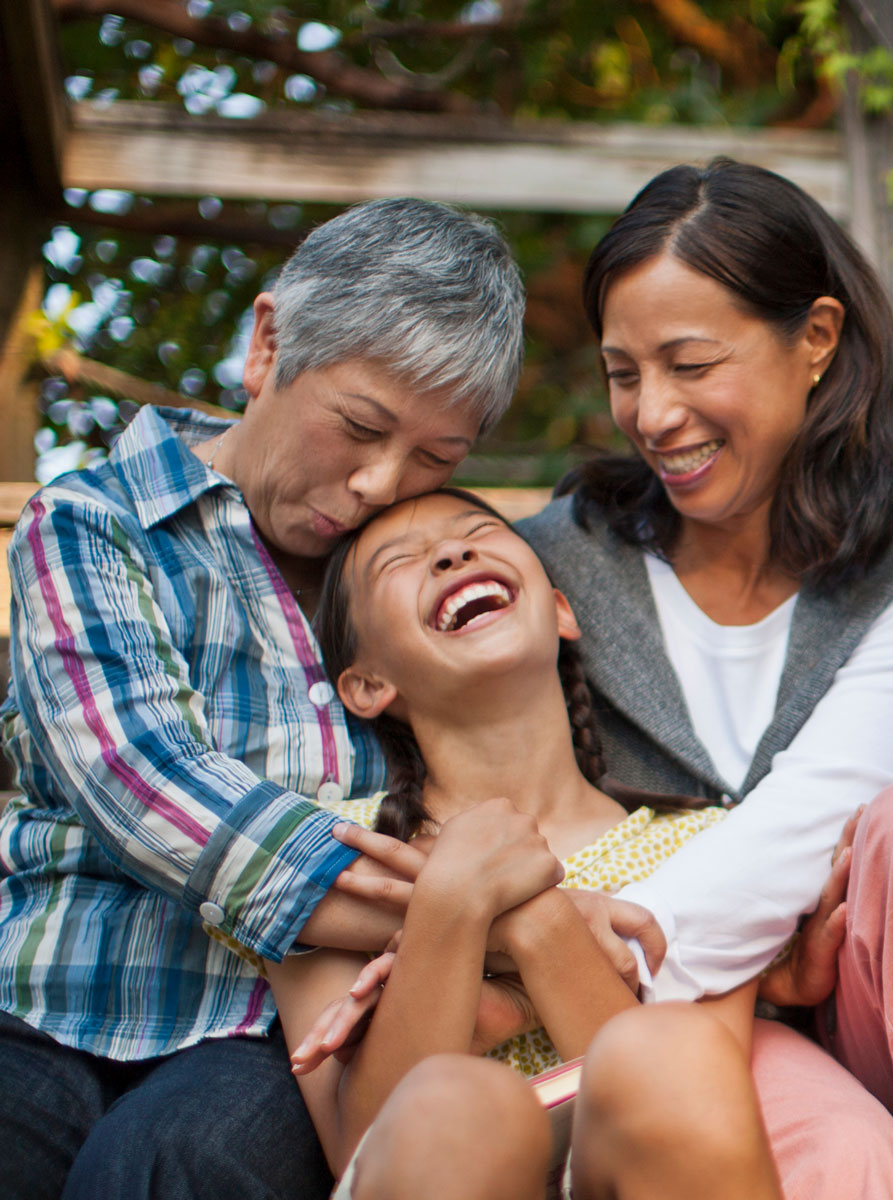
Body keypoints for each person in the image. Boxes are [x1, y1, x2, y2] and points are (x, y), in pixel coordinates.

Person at [0, 198, 665, 1198]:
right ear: (266, 346)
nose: (375, 484)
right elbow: (147, 788)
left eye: (436, 459)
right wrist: (495, 917)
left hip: (267, 1032)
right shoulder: (97, 525)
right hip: (45, 1000)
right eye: (359, 426)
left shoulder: (397, 600)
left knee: (177, 1160)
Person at [514, 158, 893, 1200]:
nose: (650, 413)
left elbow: (798, 832)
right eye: (623, 372)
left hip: (859, 1021)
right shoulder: (550, 568)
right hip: (622, 1047)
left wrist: (575, 928)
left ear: (814, 339)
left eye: (689, 364)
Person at [266, 486, 793, 1199]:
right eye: (402, 560)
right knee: (462, 1105)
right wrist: (454, 897)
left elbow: (695, 1095)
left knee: (674, 1046)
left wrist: (537, 925)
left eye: (477, 532)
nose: (452, 553)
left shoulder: (709, 843)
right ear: (365, 685)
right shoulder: (326, 847)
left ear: (562, 610)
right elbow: (358, 1144)